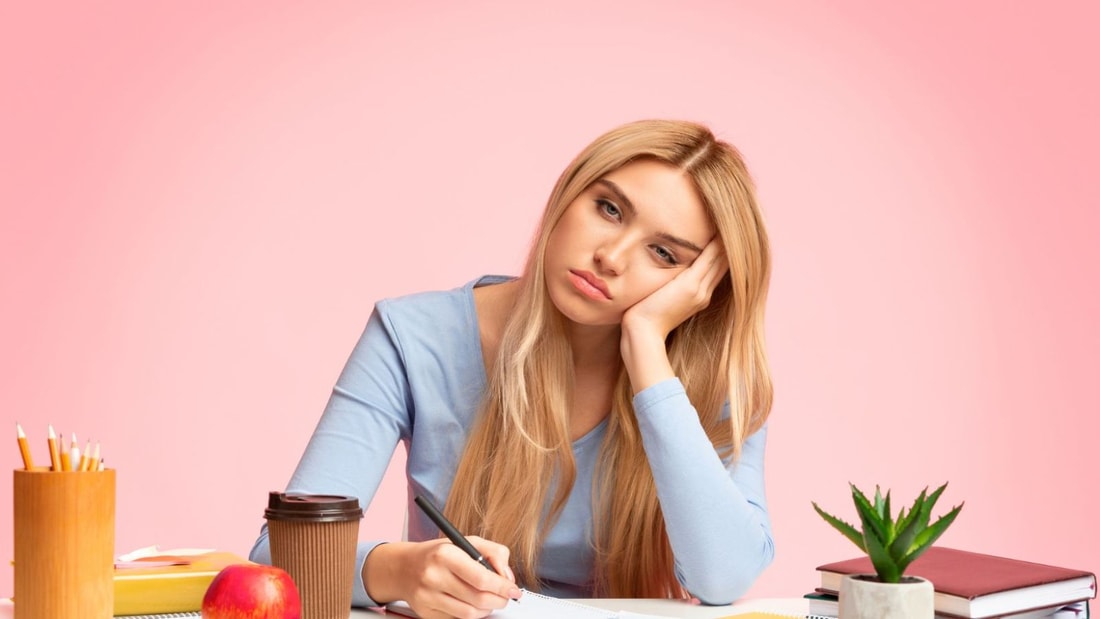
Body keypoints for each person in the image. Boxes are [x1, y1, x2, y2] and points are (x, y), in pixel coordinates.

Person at [249, 119, 775, 618]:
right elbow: (280, 554)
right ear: (569, 194)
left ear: (701, 288)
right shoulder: (413, 335)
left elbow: (723, 576)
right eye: (609, 209)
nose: (611, 256)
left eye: (662, 253)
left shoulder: (711, 381)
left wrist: (647, 355)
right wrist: (403, 571)